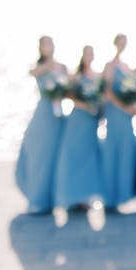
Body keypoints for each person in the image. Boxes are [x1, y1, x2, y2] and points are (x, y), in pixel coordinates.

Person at [16, 36, 67, 214]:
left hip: (59, 116)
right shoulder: (39, 67)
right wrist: (51, 65)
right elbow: (33, 73)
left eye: (51, 43)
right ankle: (37, 199)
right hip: (44, 115)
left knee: (58, 158)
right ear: (40, 48)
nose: (49, 47)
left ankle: (57, 198)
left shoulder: (62, 67)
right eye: (45, 44)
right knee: (40, 156)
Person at [54, 46, 105, 210]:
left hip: (91, 122)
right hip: (78, 119)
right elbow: (69, 95)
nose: (89, 56)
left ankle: (86, 196)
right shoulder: (76, 77)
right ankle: (70, 196)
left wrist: (98, 110)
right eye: (87, 54)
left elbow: (102, 97)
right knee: (73, 156)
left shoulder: (97, 77)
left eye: (92, 53)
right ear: (82, 56)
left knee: (89, 158)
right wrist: (86, 104)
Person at [101, 34, 136, 211]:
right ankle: (110, 197)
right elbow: (107, 92)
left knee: (126, 150)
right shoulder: (110, 65)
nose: (122, 45)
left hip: (127, 115)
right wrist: (126, 107)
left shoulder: (126, 66)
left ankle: (123, 195)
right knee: (113, 149)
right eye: (120, 41)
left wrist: (133, 106)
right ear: (115, 43)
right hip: (116, 113)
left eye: (125, 42)